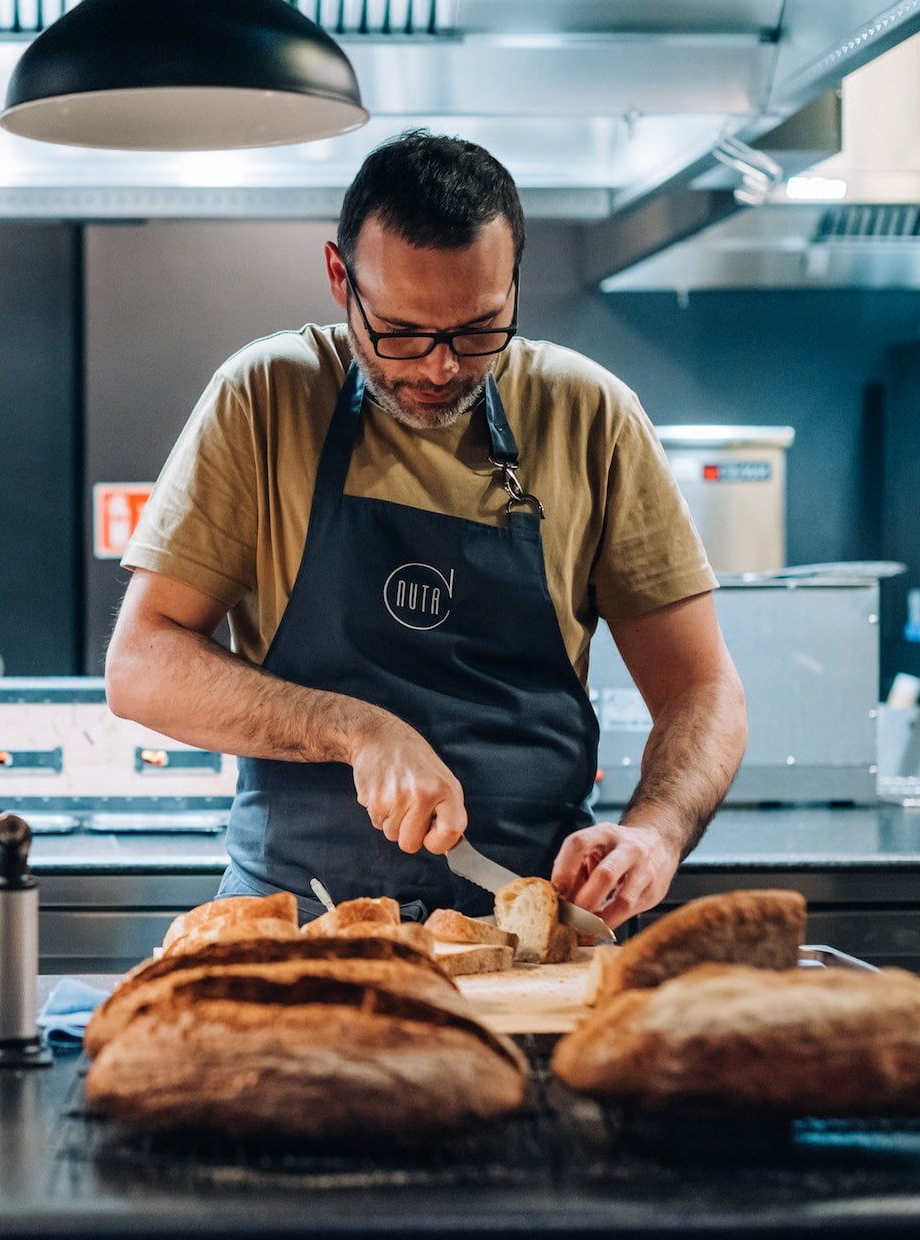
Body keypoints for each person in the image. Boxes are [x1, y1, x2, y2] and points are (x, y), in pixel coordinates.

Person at [103, 130, 747, 931]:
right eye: (401, 332)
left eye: (479, 329)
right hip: (303, 920)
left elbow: (702, 687)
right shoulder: (265, 400)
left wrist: (655, 833)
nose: (440, 368)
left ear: (515, 282)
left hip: (533, 925)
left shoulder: (590, 416)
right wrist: (357, 730)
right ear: (342, 278)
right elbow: (140, 665)